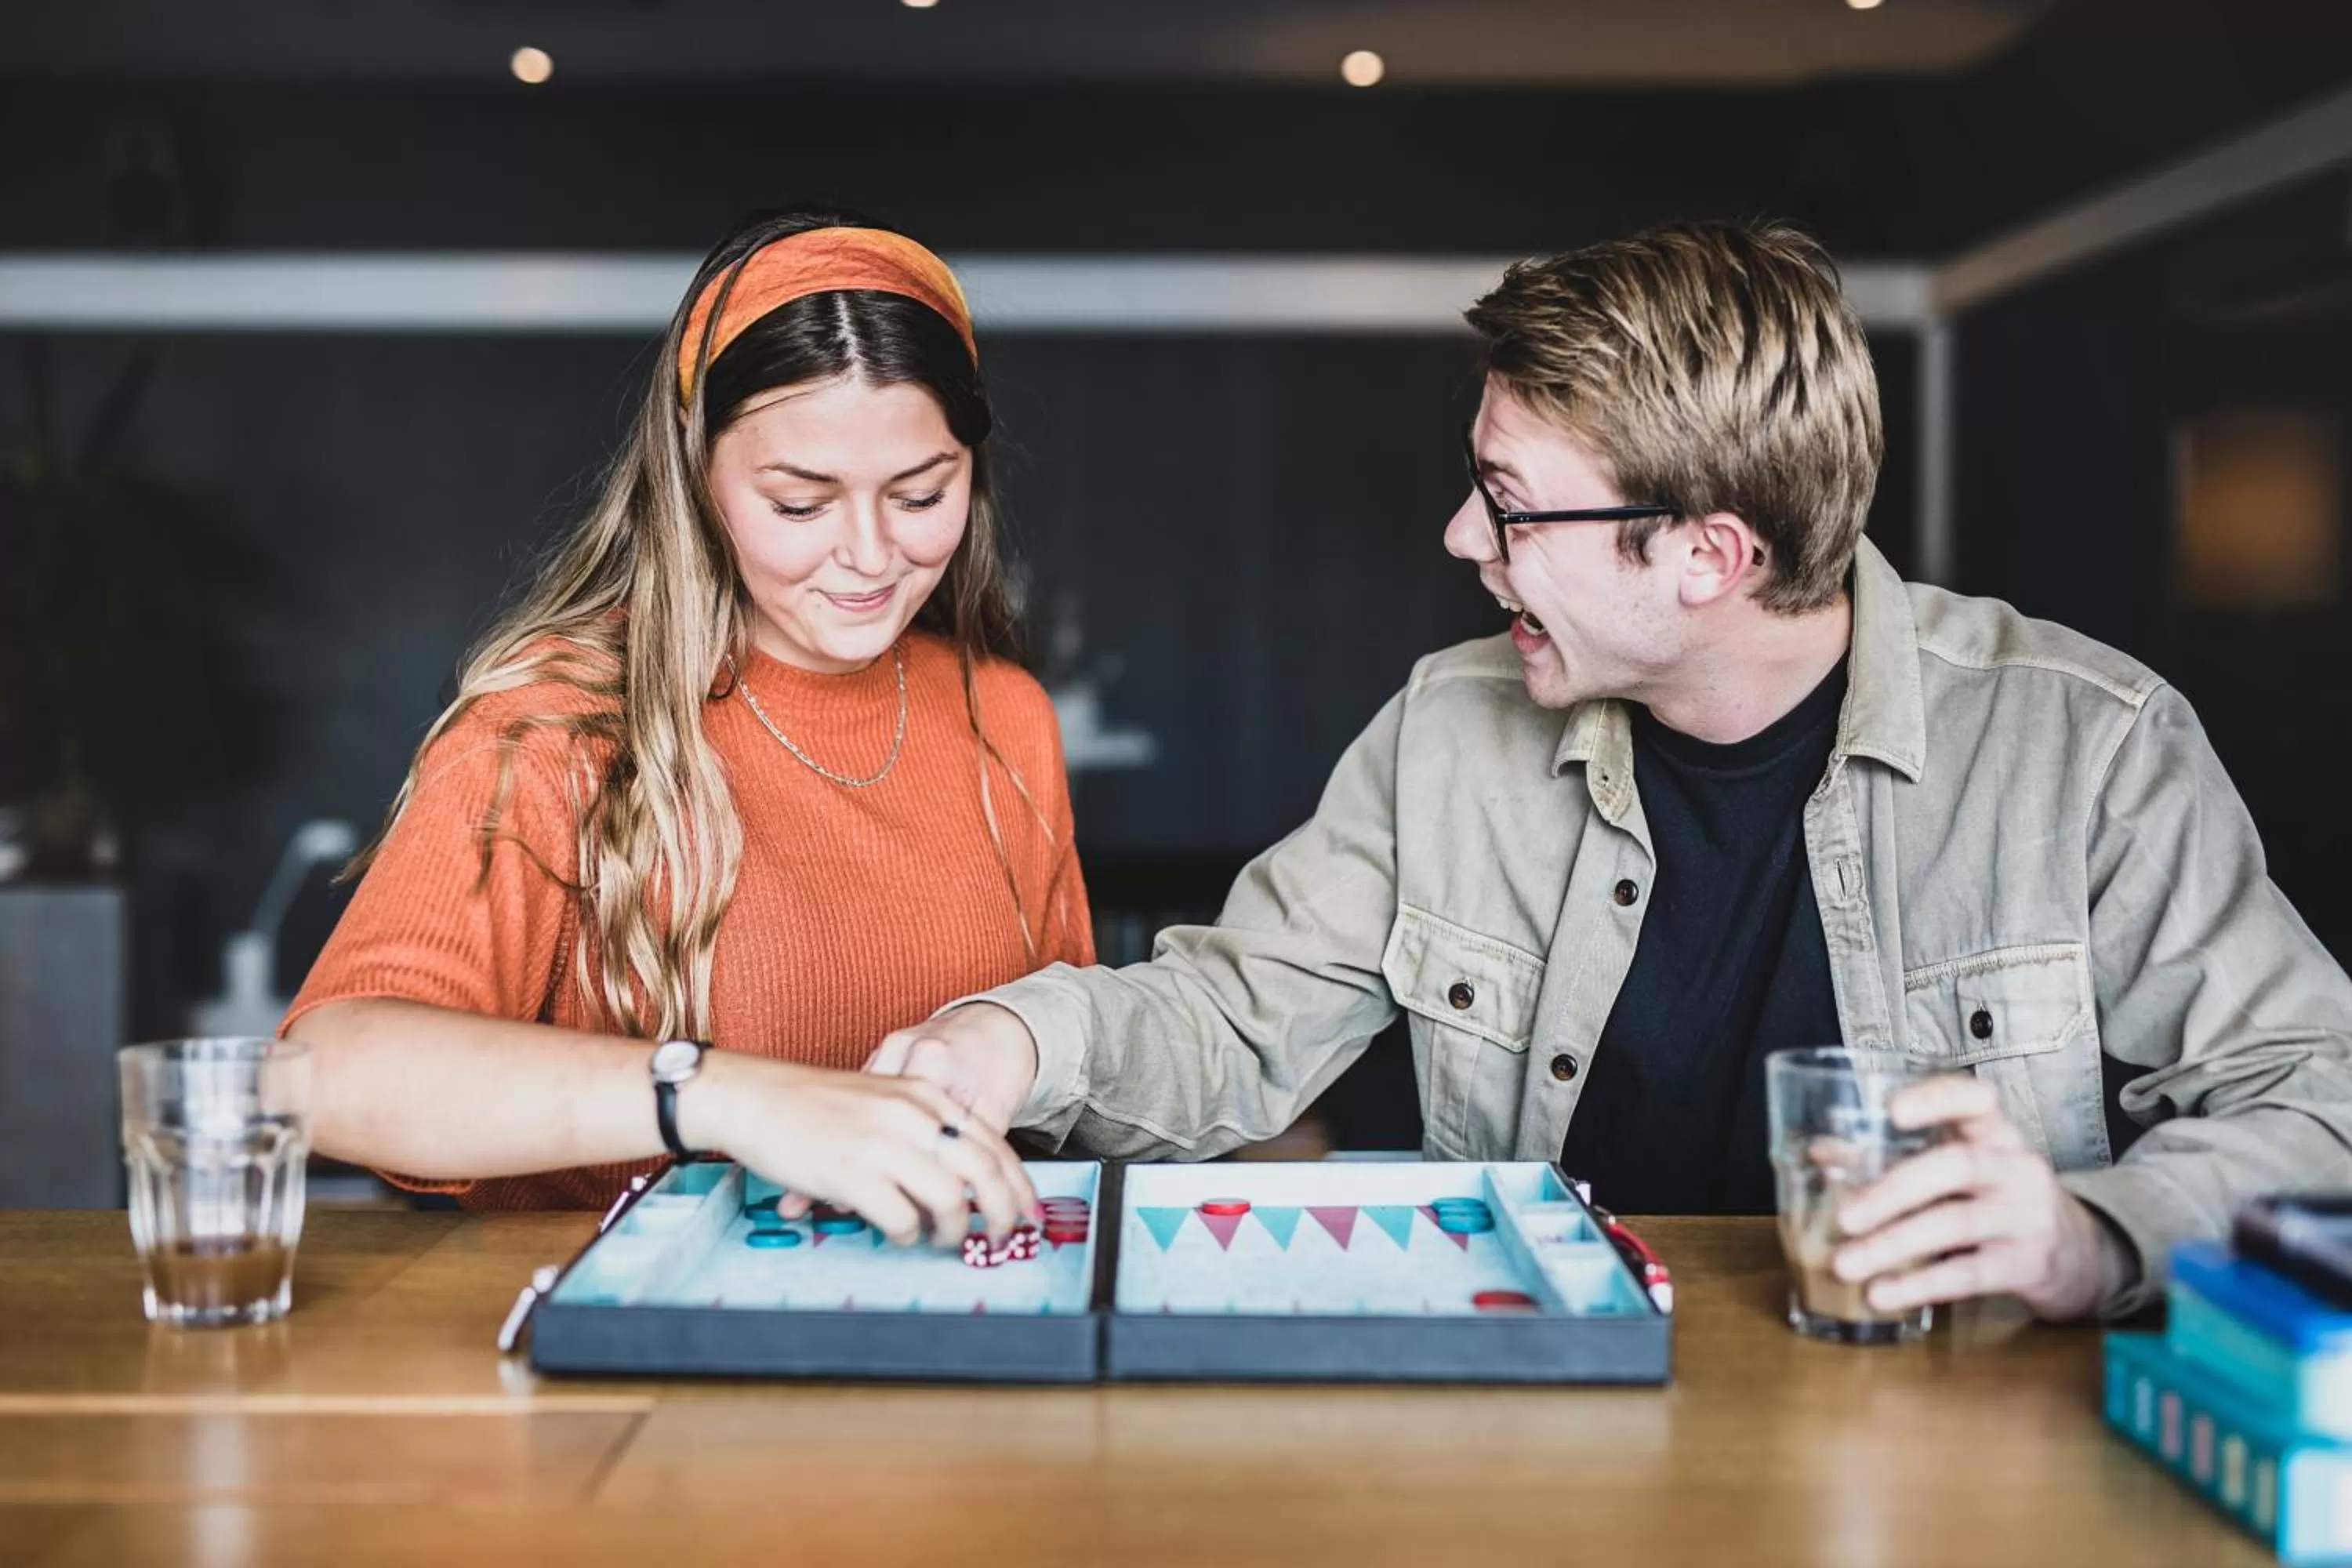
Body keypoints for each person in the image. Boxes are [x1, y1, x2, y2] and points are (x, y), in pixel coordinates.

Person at [869, 219, 2352, 1319]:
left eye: (1510, 507)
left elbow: (2318, 1104)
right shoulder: (1446, 729)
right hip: (1556, 1430)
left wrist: (2092, 1237)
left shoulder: (2090, 746)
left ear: (1708, 553)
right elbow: (1233, 1017)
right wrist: (1014, 1042)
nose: (1463, 540)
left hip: (1963, 1452)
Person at [284, 207, 1087, 1246]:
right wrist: (726, 1098)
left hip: (935, 1345)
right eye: (802, 504)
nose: (870, 552)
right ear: (698, 479)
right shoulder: (558, 722)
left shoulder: (1003, 716)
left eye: (920, 493)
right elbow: (327, 1073)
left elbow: (1073, 1065)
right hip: (625, 1373)